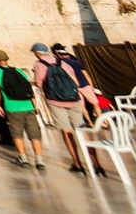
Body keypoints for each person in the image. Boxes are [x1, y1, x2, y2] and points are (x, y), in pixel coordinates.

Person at [32, 42, 104, 176]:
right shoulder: (64, 63)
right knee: (83, 131)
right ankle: (96, 164)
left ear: (37, 53)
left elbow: (39, 84)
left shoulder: (39, 64)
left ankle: (77, 164)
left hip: (56, 101)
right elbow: (76, 82)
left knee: (67, 131)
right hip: (73, 99)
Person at [0, 50, 45, 169]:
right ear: (7, 59)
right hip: (28, 105)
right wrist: (35, 106)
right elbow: (29, 90)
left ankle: (23, 158)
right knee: (34, 134)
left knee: (17, 133)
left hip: (12, 106)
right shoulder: (19, 71)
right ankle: (39, 160)